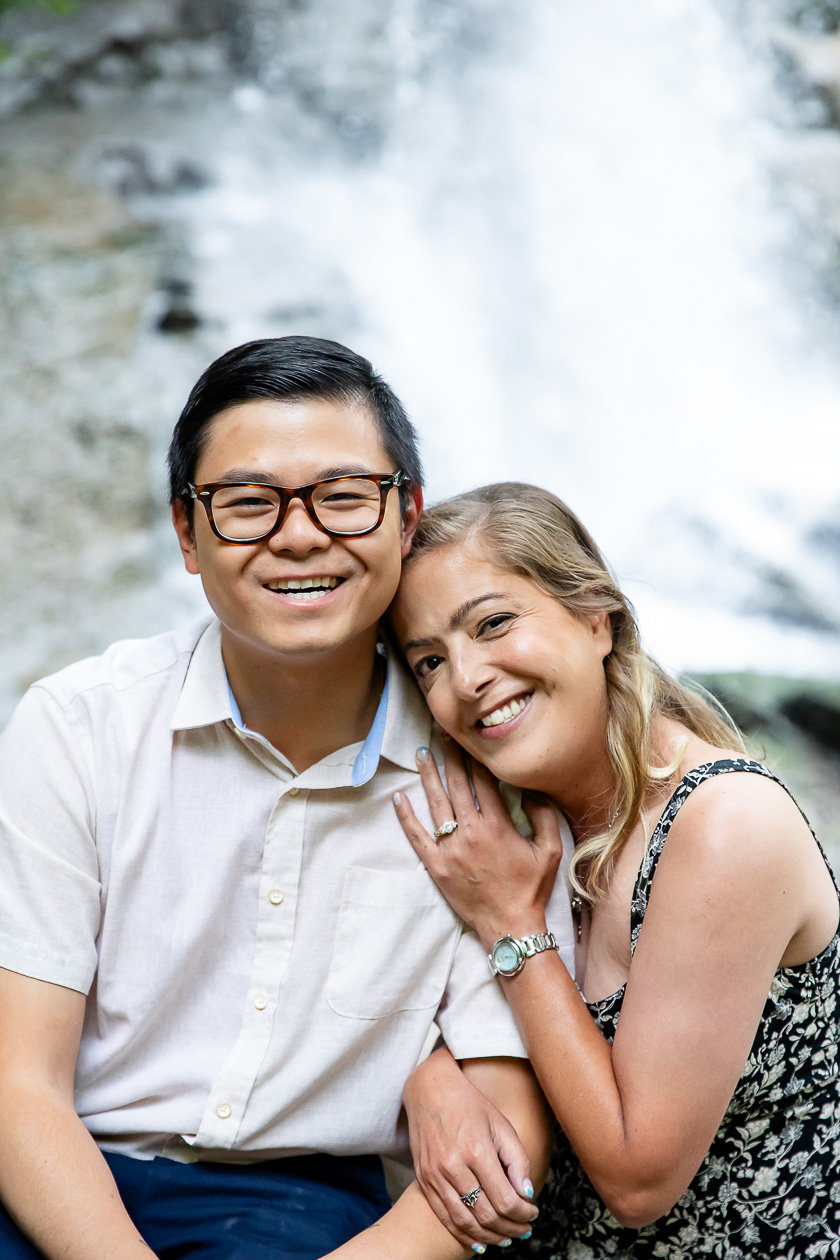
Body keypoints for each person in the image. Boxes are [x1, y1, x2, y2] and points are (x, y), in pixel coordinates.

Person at [0, 344, 575, 1260]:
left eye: (343, 496)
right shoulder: (78, 728)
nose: (300, 535)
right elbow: (17, 1088)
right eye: (247, 504)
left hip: (298, 1203)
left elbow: (506, 1139)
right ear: (188, 538)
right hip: (64, 1168)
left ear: (406, 516)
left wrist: (432, 1071)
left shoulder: (488, 766)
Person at [390, 481, 840, 1259]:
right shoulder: (506, 829)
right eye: (429, 660)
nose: (465, 681)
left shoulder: (723, 824)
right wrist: (427, 1080)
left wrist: (514, 926)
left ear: (598, 617)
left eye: (493, 623)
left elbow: (637, 1180)